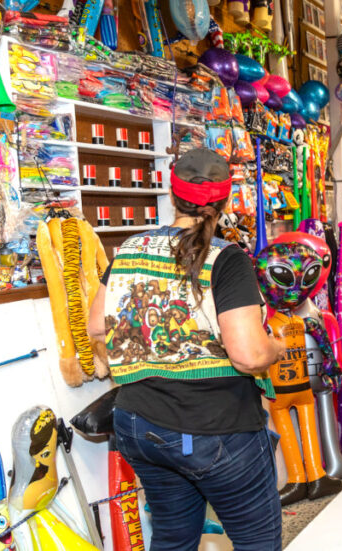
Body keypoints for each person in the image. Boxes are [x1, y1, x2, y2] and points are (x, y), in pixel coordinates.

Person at [88, 148, 284, 551]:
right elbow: (247, 354)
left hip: (140, 424)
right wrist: (276, 348)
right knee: (257, 541)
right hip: (216, 427)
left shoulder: (129, 249)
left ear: (171, 193)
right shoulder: (225, 259)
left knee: (173, 539)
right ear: (225, 200)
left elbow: (95, 327)